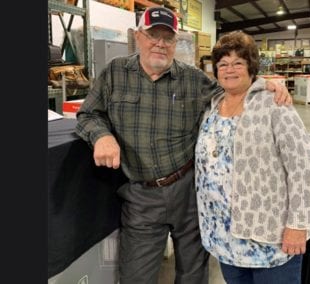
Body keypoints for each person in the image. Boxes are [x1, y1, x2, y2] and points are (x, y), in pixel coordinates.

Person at [75, 6, 292, 284]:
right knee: (135, 276)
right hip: (141, 195)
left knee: (193, 274)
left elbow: (234, 89)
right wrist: (101, 136)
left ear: (175, 44)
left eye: (168, 38)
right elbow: (88, 113)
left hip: (190, 190)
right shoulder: (116, 73)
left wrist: (266, 83)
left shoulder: (193, 79)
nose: (160, 44)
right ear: (138, 37)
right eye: (153, 35)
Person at [194, 31, 310, 284]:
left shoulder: (273, 104)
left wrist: (298, 224)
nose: (229, 70)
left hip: (269, 237)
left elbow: (303, 165)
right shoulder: (213, 104)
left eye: (238, 63)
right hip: (224, 235)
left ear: (251, 67)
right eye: (223, 64)